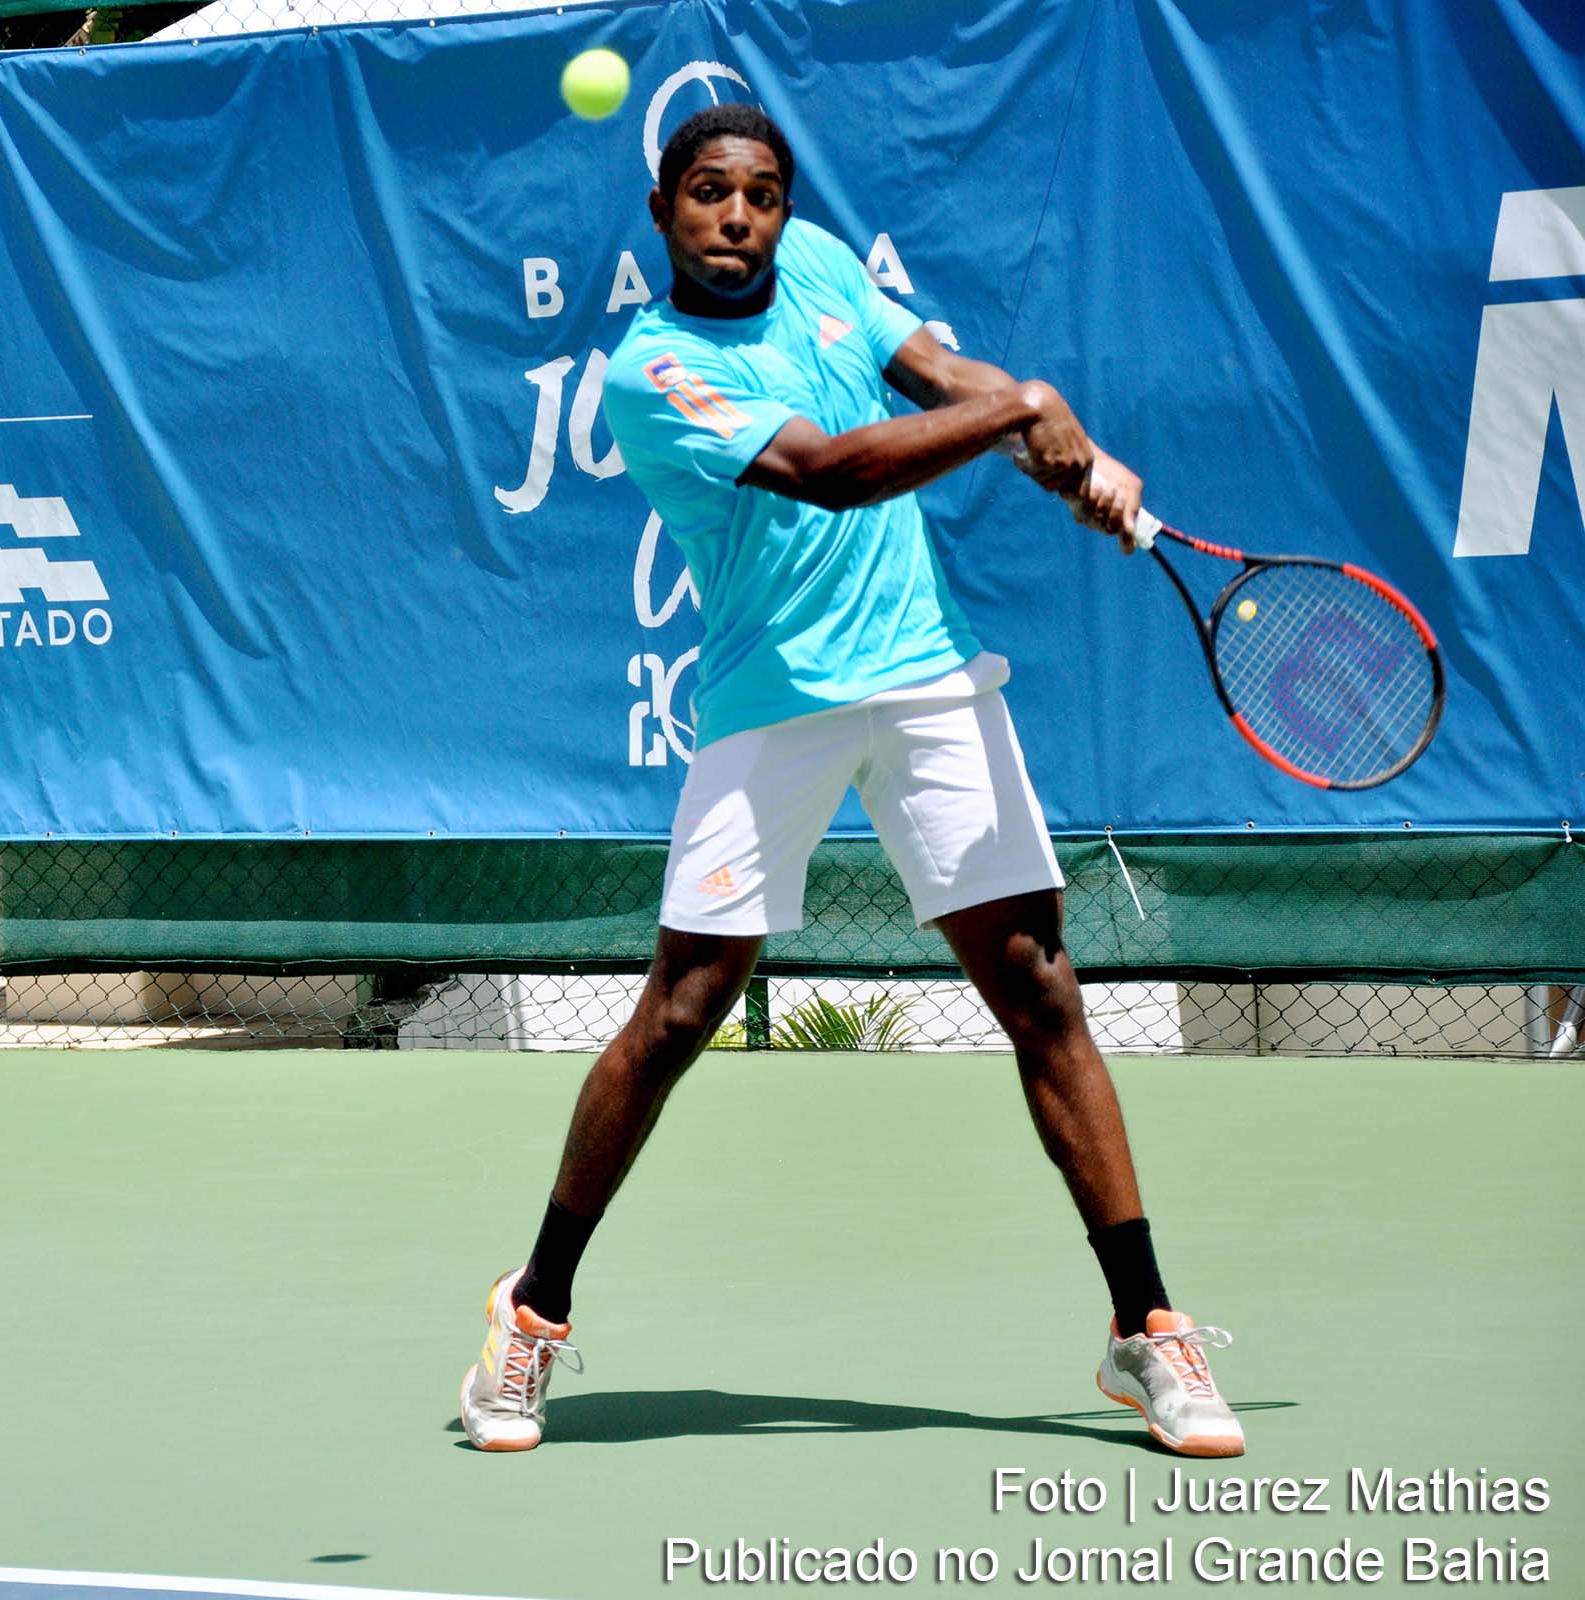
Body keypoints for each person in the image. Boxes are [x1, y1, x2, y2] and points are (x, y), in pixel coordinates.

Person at [455, 104, 1243, 1458]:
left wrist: (1059, 449)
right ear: (662, 211)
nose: (737, 217)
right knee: (683, 1008)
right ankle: (534, 1309)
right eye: (709, 192)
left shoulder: (819, 262)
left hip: (928, 674)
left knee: (1038, 987)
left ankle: (1146, 1325)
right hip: (774, 703)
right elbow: (828, 473)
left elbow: (935, 373)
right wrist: (1027, 411)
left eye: (761, 194)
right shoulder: (650, 370)